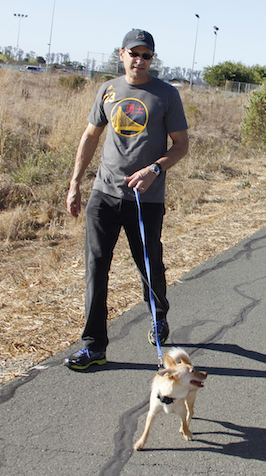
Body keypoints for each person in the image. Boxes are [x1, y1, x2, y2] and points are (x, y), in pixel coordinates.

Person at [64, 29, 189, 371]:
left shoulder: (165, 95)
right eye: (133, 54)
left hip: (145, 199)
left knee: (149, 265)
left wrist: (154, 170)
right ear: (121, 55)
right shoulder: (108, 90)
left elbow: (181, 145)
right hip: (104, 194)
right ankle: (94, 346)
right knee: (96, 268)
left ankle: (158, 317)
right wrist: (76, 183)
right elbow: (91, 136)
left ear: (152, 59)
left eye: (146, 55)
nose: (139, 60)